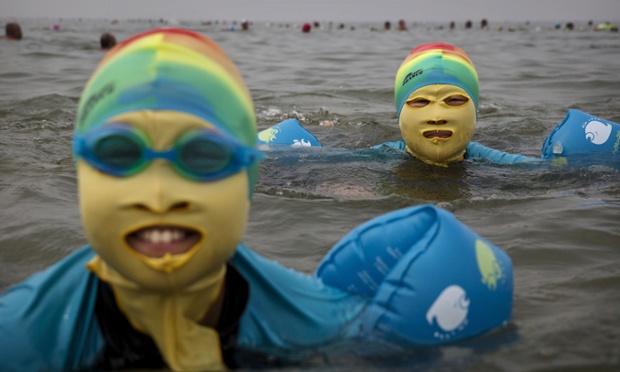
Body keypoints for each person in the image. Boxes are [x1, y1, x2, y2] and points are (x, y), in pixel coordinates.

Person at [0, 28, 513, 371]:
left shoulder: (327, 322)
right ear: (80, 173)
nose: (159, 195)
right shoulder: (19, 337)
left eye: (201, 156)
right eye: (118, 153)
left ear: (248, 178)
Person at [375, 42, 538, 166]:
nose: (436, 118)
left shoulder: (490, 160)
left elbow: (553, 169)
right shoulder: (381, 157)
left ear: (475, 112)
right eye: (420, 101)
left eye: (454, 100)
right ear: (400, 114)